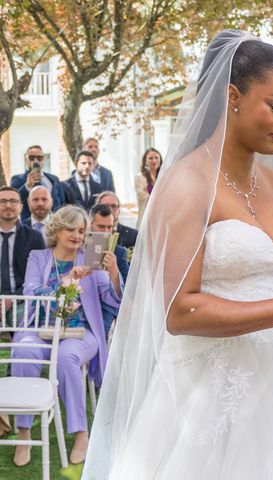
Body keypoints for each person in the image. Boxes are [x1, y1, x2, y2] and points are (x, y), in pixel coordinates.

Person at [82, 30, 273, 479]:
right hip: (211, 394)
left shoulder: (272, 182)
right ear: (232, 96)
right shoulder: (185, 185)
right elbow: (180, 310)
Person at [11, 206, 122, 466]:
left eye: (82, 231)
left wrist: (113, 273)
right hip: (41, 329)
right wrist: (64, 283)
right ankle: (24, 431)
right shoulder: (38, 257)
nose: (77, 235)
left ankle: (80, 433)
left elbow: (113, 300)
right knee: (25, 351)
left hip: (80, 332)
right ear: (57, 230)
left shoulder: (90, 258)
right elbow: (31, 292)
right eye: (71, 229)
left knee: (66, 357)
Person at [89, 204, 129, 339]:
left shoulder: (119, 252)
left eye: (109, 227)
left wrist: (114, 271)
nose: (106, 232)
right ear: (90, 225)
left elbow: (125, 292)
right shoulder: (79, 247)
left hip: (106, 309)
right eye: (101, 227)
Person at [0, 187, 45, 297]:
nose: (8, 206)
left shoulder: (34, 237)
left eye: (13, 201)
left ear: (21, 207)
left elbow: (40, 275)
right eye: (2, 201)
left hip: (22, 299)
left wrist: (13, 299)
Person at [11, 145, 64, 221]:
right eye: (32, 158)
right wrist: (27, 186)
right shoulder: (18, 179)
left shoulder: (54, 179)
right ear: (26, 160)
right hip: (30, 224)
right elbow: (14, 201)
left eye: (39, 158)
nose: (36, 161)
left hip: (55, 223)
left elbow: (62, 201)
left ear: (43, 160)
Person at [134, 148, 163, 229]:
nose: (154, 160)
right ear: (145, 160)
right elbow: (141, 195)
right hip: (147, 216)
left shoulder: (164, 176)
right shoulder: (140, 177)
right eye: (150, 158)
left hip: (161, 216)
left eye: (156, 157)